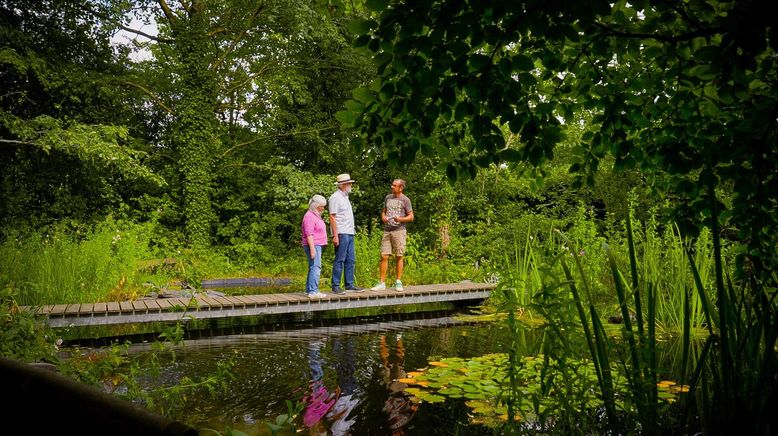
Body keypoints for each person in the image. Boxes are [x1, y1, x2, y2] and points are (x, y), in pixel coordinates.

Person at [371, 179, 414, 292]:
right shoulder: (388, 198)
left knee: (399, 255)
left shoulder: (405, 200)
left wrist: (400, 219)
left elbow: (411, 216)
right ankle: (381, 283)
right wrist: (383, 216)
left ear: (401, 188)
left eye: (394, 185)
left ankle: (398, 281)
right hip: (387, 230)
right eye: (392, 185)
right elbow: (383, 211)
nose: (392, 187)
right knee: (384, 255)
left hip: (399, 231)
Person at [329, 174, 364, 294]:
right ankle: (336, 285)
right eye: (349, 183)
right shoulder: (335, 197)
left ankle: (349, 284)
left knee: (351, 259)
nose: (351, 185)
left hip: (349, 232)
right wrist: (335, 235)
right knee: (340, 259)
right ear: (343, 185)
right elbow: (332, 217)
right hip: (341, 232)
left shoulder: (345, 197)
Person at [302, 194, 328, 298]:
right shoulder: (309, 216)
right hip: (313, 245)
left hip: (317, 245)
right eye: (321, 206)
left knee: (313, 267)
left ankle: (309, 290)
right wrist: (312, 249)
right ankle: (313, 291)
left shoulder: (315, 215)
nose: (323, 208)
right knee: (316, 267)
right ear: (315, 206)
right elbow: (309, 234)